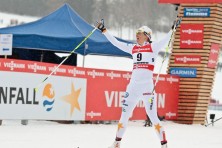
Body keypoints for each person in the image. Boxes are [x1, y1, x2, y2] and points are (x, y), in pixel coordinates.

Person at [96, 20, 175, 148]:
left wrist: (173, 29)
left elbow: (166, 40)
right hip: (133, 87)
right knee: (124, 115)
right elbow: (116, 43)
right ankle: (117, 142)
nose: (136, 35)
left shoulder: (152, 47)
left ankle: (164, 144)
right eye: (136, 33)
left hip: (147, 87)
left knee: (153, 117)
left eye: (139, 33)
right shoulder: (133, 48)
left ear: (147, 36)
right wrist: (104, 31)